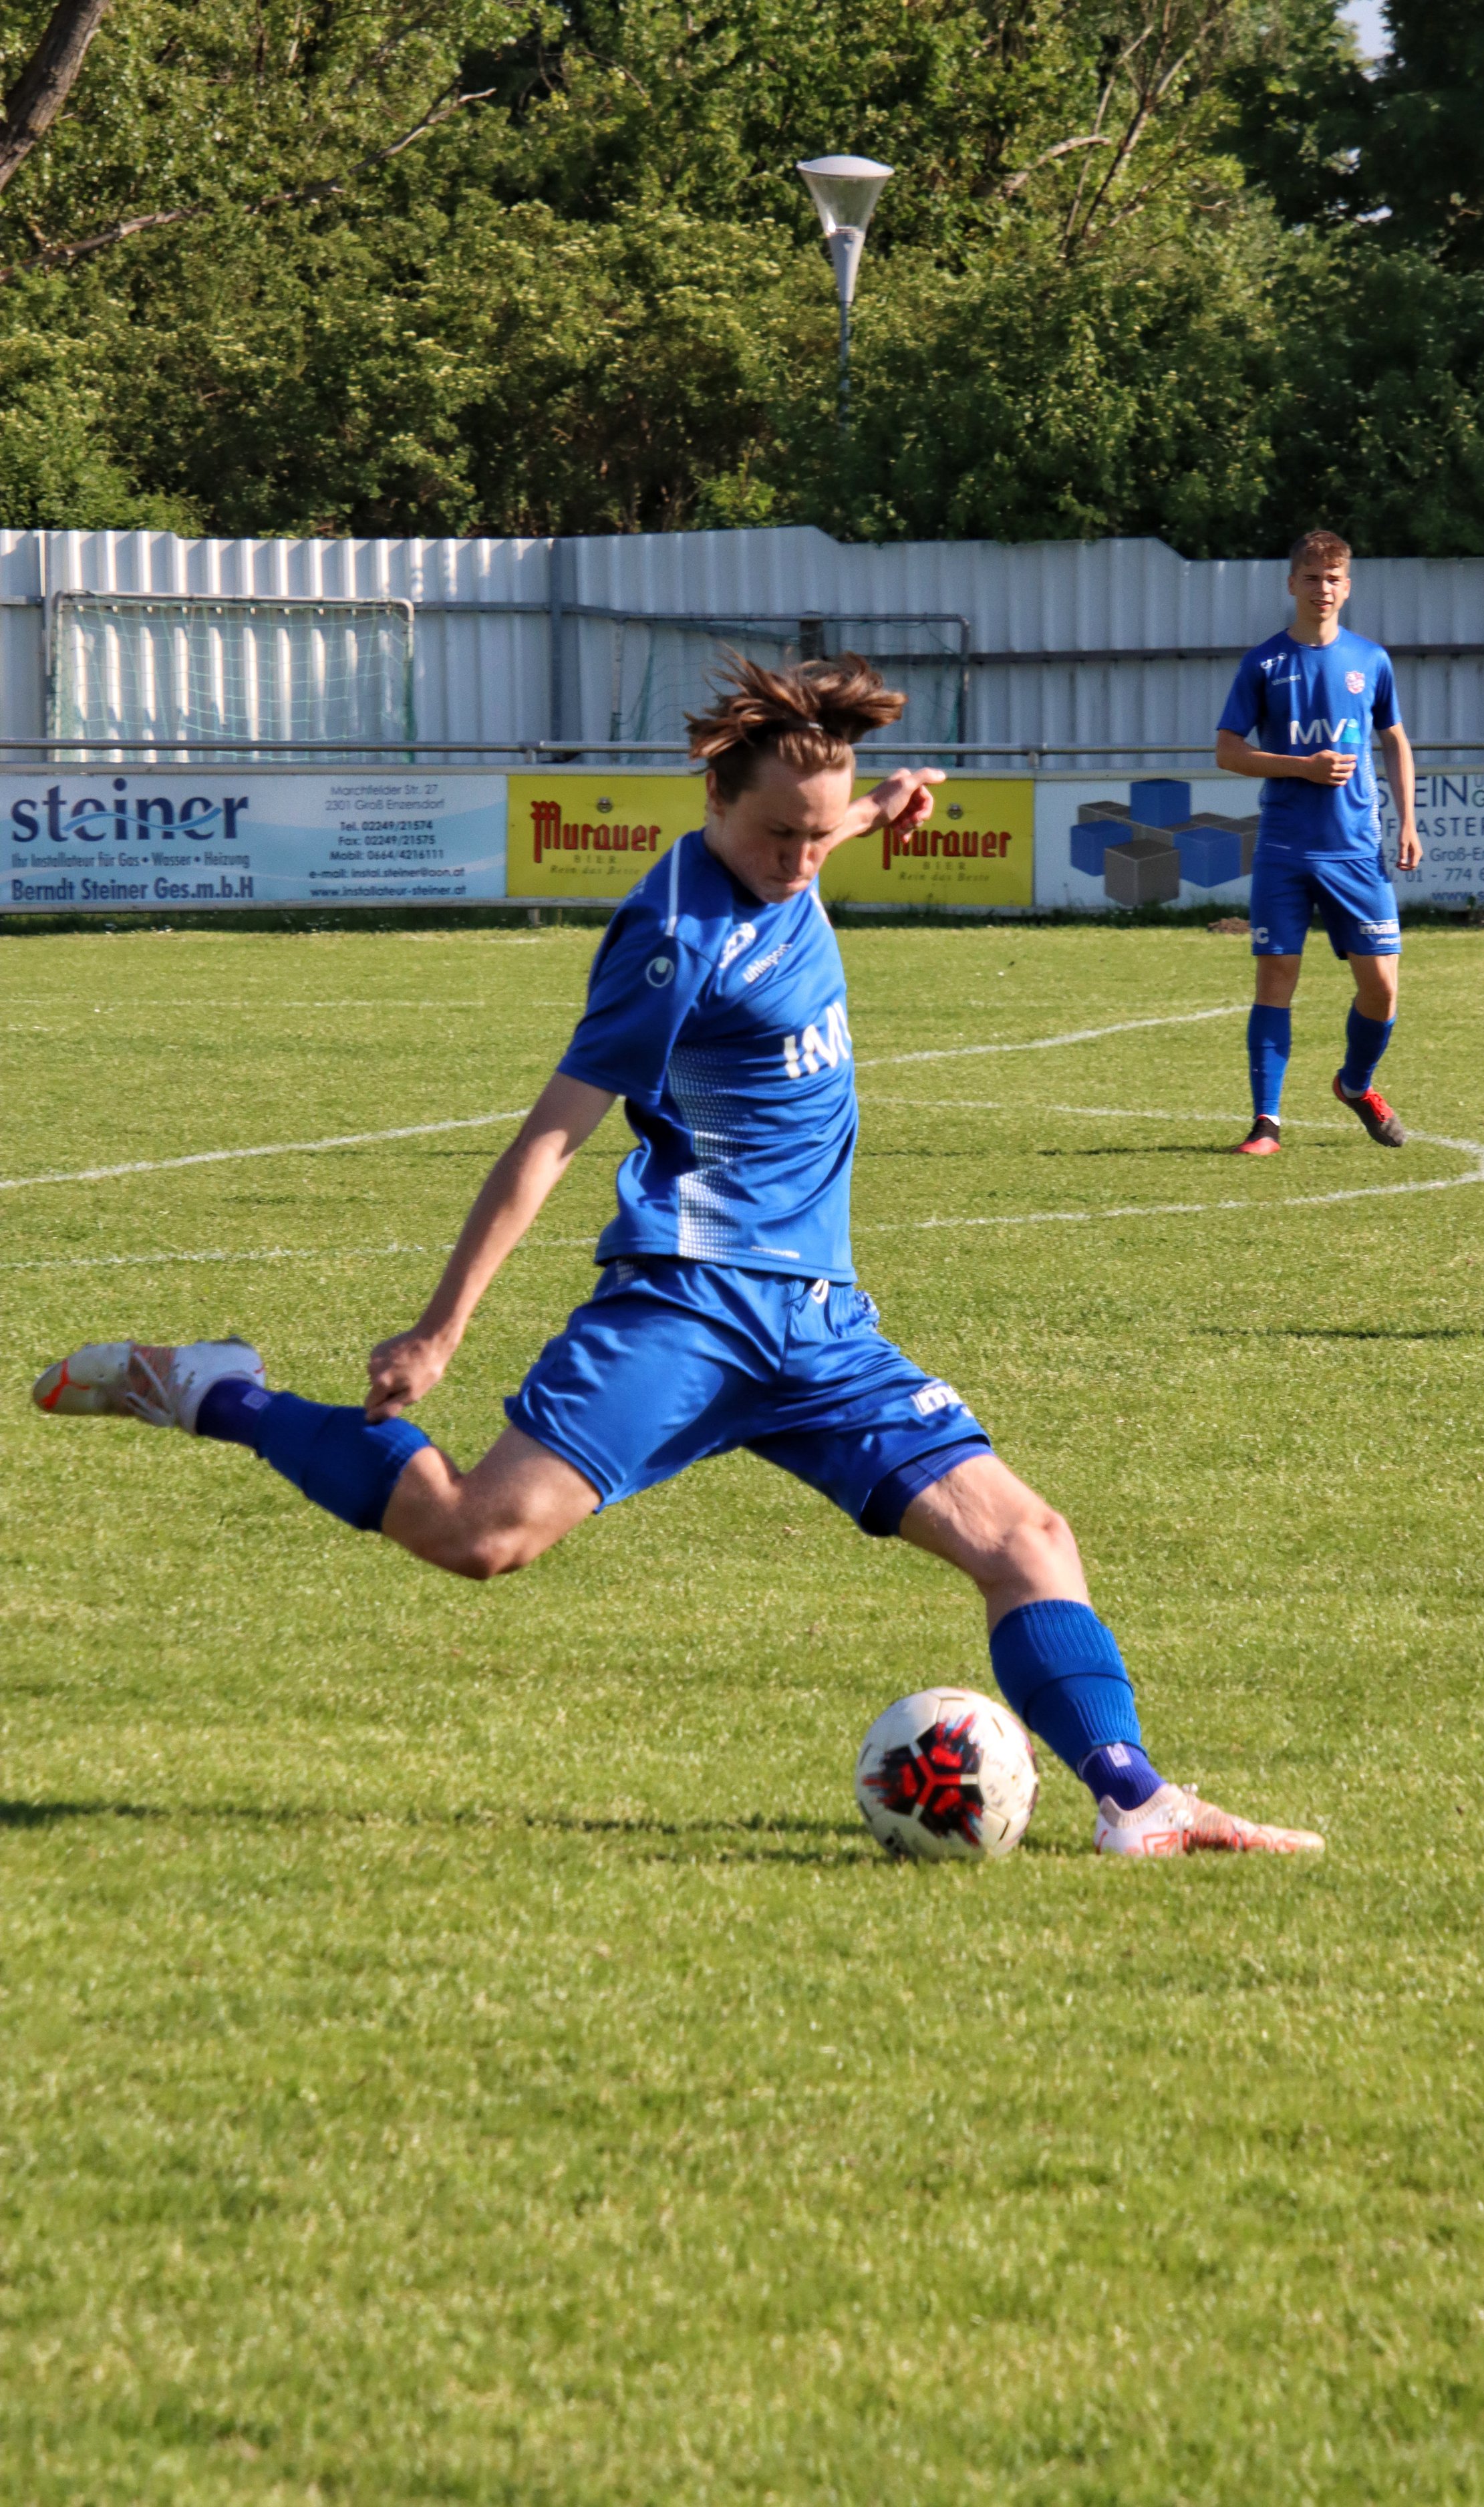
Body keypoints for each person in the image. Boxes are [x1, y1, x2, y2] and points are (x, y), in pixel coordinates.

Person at [31, 655, 1320, 1861]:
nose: (802, 859)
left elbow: (813, 832)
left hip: (820, 1323)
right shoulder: (672, 945)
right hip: (690, 1306)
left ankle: (1136, 1799)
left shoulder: (792, 852)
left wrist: (877, 811)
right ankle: (217, 1391)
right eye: (780, 836)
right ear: (713, 801)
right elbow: (546, 1142)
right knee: (477, 1535)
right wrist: (438, 1327)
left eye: (819, 834)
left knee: (1029, 1537)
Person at [1215, 528, 1420, 1156]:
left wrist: (1408, 821)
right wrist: (1302, 767)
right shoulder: (1263, 663)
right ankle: (1266, 1122)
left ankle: (1355, 1085)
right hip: (1285, 847)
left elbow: (1394, 740)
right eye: (1311, 578)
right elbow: (1228, 752)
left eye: (1333, 579)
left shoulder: (1370, 660)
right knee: (1276, 977)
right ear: (1291, 584)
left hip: (1355, 848)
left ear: (1347, 587)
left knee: (1382, 988)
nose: (1322, 589)